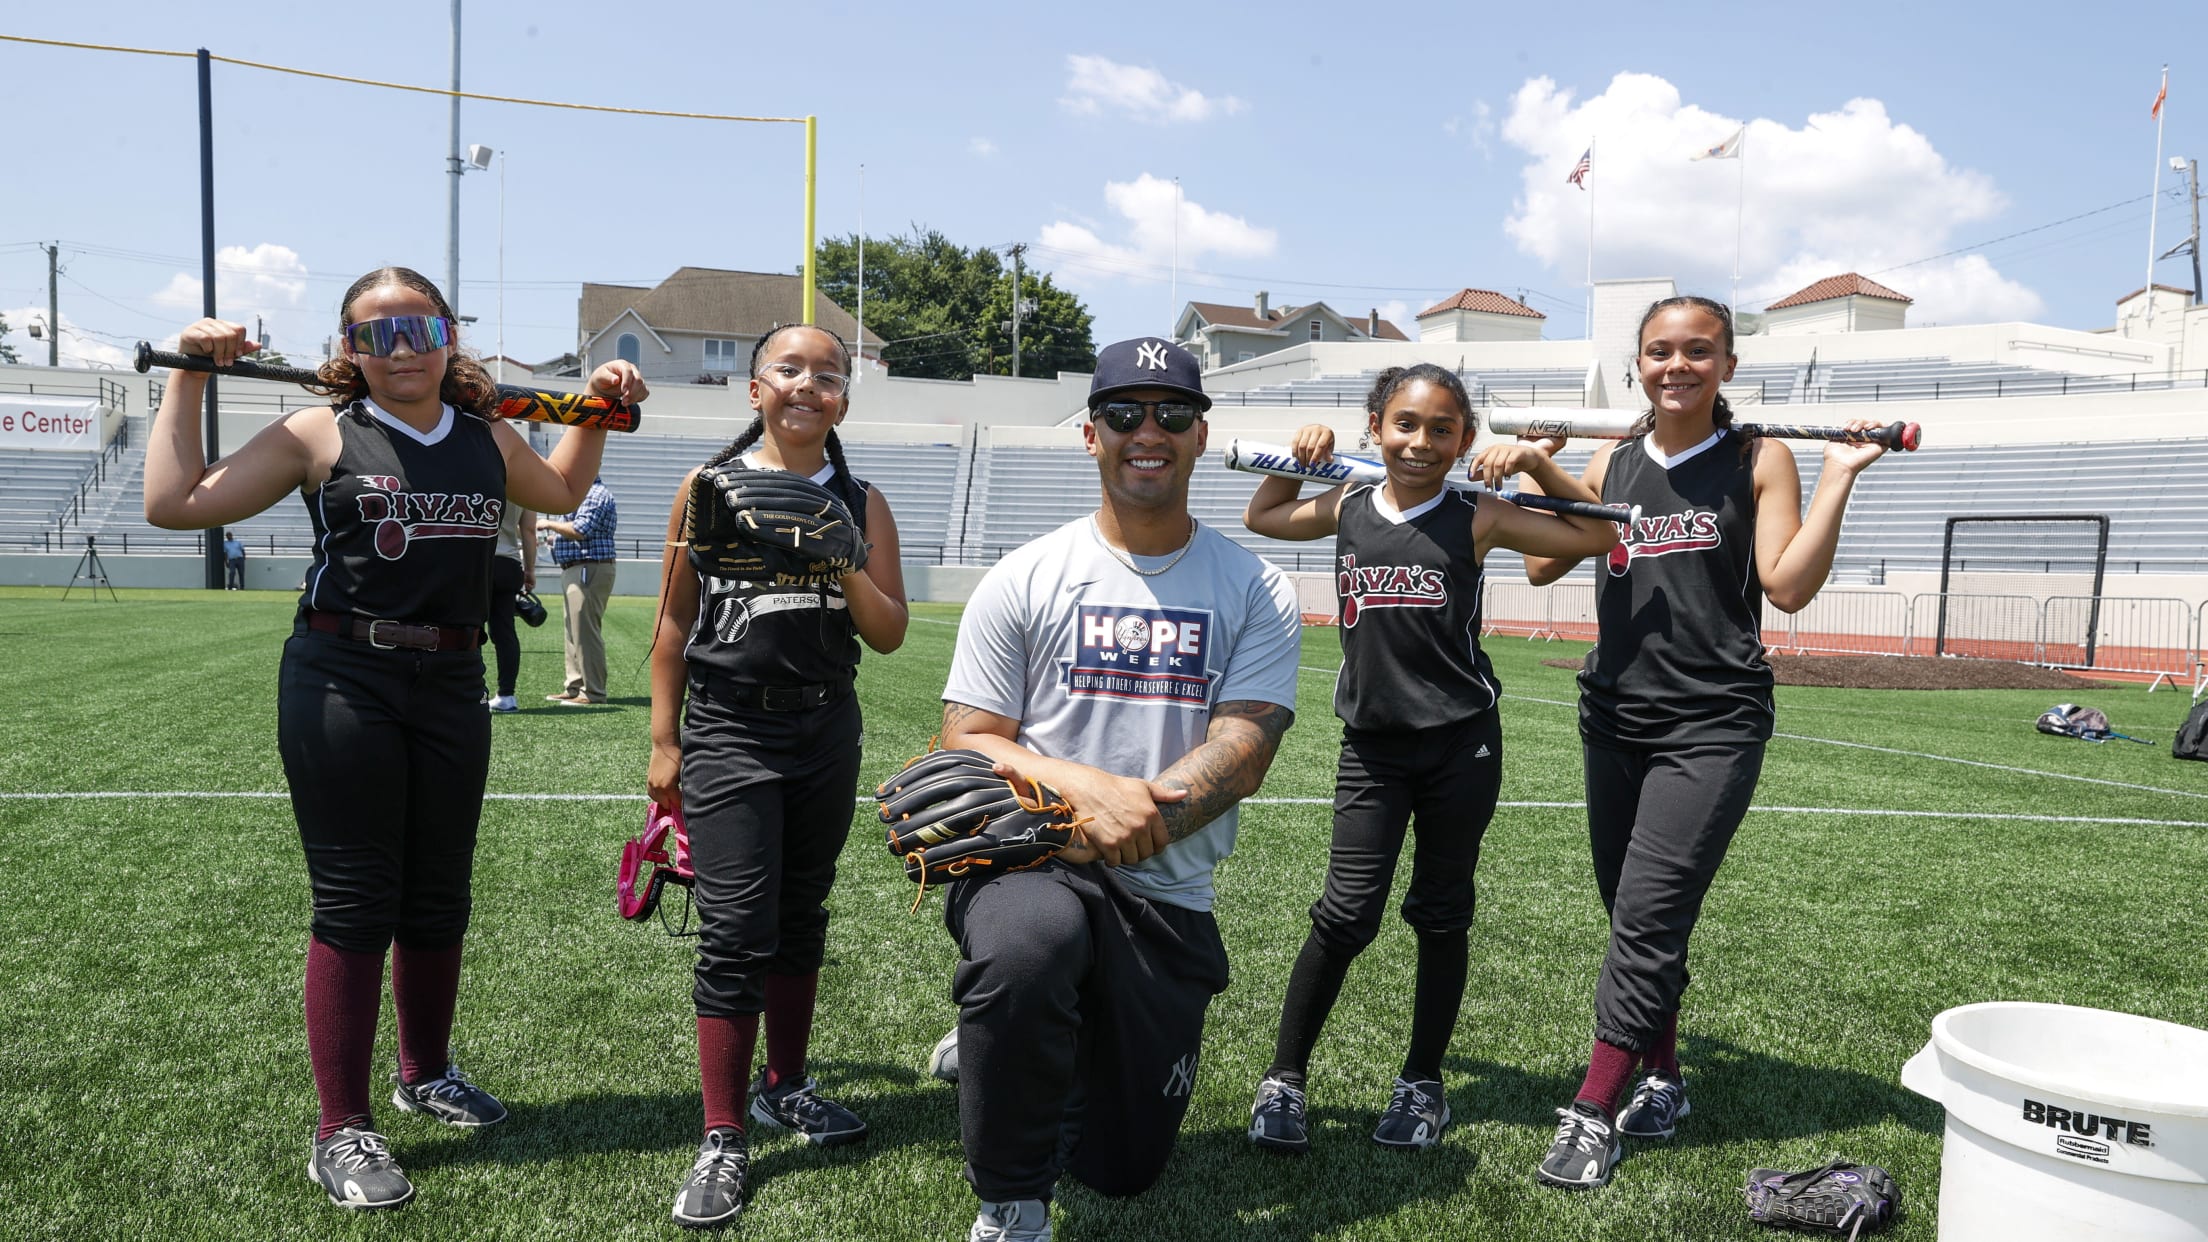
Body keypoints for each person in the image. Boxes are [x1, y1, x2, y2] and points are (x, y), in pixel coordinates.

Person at [141, 266, 646, 1210]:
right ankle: (342, 1128)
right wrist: (190, 378)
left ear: (449, 336)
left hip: (452, 681)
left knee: (439, 891)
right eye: (376, 334)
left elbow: (564, 486)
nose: (401, 348)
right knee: (355, 898)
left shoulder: (489, 435)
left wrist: (597, 408)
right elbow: (175, 504)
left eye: (418, 328)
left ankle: (426, 1072)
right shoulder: (317, 431)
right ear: (348, 350)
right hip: (344, 677)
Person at [930, 337, 1303, 1242]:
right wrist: (1086, 795)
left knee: (1122, 1170)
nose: (1150, 431)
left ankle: (1014, 1040)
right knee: (1027, 950)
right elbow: (968, 739)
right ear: (1089, 434)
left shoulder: (1255, 585)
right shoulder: (1024, 575)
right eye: (1125, 413)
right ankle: (1010, 1199)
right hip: (1038, 859)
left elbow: (1247, 747)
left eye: (1172, 414)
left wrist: (1133, 818)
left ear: (1201, 434)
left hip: (1166, 890)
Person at [1515, 296, 1885, 1189]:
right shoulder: (1608, 462)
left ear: (1726, 364)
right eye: (1659, 352)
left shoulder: (1760, 457)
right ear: (1638, 363)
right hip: (1613, 714)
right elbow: (1538, 563)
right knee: (1632, 911)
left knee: (1645, 915)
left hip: (1712, 722)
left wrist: (1840, 475)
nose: (1676, 366)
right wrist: (1541, 471)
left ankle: (1593, 1108)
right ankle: (1667, 1078)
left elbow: (1786, 587)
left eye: (1697, 352)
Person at [1239, 367, 1619, 1155]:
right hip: (1372, 747)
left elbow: (1598, 534)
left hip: (1461, 742)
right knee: (1345, 915)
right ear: (1375, 427)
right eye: (1405, 424)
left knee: (1442, 914)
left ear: (1464, 441)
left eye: (1441, 429)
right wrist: (1301, 458)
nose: (1420, 442)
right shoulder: (1347, 503)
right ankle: (1285, 1079)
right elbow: (1266, 515)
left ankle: (1422, 1084)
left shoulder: (1476, 515)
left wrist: (1536, 466)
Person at [647, 323, 910, 1229]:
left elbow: (887, 633)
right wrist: (663, 741)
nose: (808, 385)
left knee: (802, 916)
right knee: (736, 932)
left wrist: (839, 557)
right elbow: (676, 625)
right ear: (753, 387)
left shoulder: (861, 498)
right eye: (788, 370)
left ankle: (784, 1086)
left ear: (845, 395)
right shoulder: (707, 487)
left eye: (827, 375)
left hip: (825, 726)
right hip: (728, 732)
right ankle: (722, 1135)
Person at [541, 475, 617, 705]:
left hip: (588, 568)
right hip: (578, 567)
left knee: (585, 631)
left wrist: (548, 524)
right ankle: (575, 686)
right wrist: (555, 539)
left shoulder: (595, 494)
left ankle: (593, 692)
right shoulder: (586, 493)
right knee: (573, 630)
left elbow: (581, 529)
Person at [485, 502, 537, 712]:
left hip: (477, 559)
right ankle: (507, 694)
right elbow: (529, 530)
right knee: (505, 632)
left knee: (469, 628)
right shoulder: (524, 485)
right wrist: (530, 569)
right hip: (509, 563)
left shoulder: (475, 471)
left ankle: (472, 693)